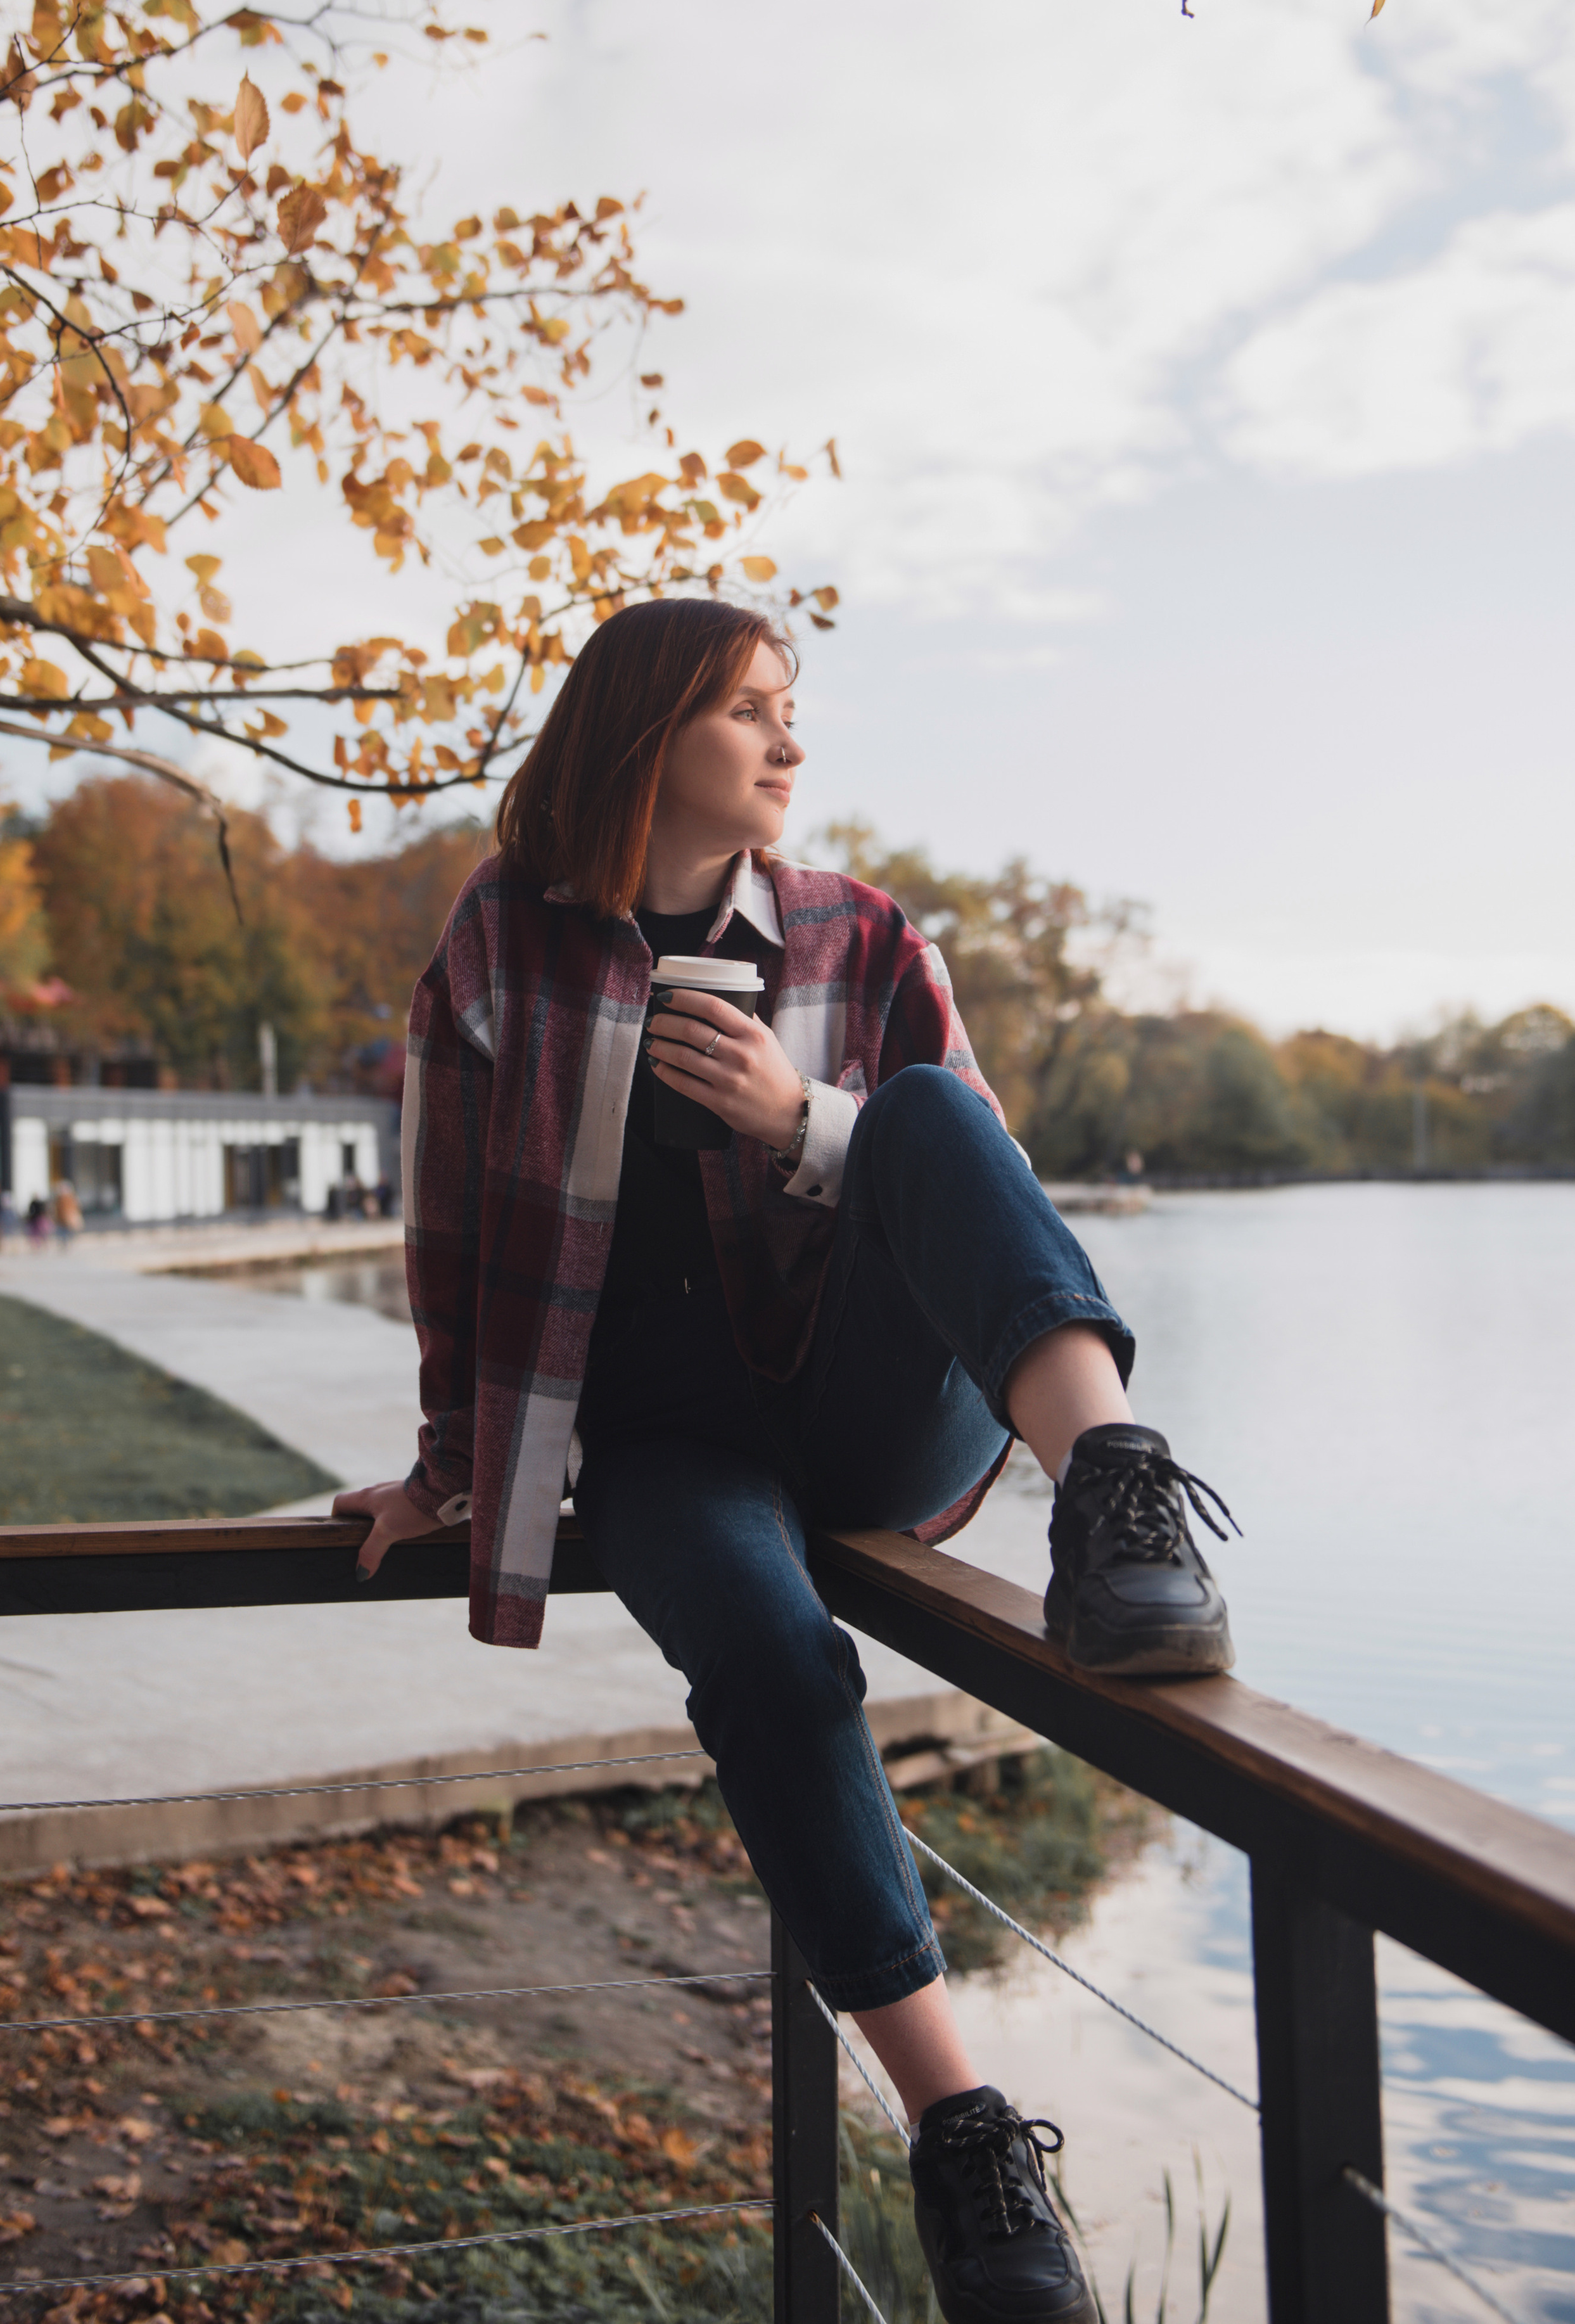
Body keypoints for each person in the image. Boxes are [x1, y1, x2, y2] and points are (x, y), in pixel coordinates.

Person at [335, 598, 1236, 2324]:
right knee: (765, 1652)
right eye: (756, 709)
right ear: (650, 734)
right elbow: (450, 1239)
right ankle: (968, 2136)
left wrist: (790, 1117)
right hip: (668, 1448)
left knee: (913, 1110)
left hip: (872, 1402)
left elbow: (978, 1181)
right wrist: (447, 1466)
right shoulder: (502, 946)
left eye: (789, 710)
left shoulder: (860, 929)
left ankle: (1120, 1502)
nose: (793, 742)